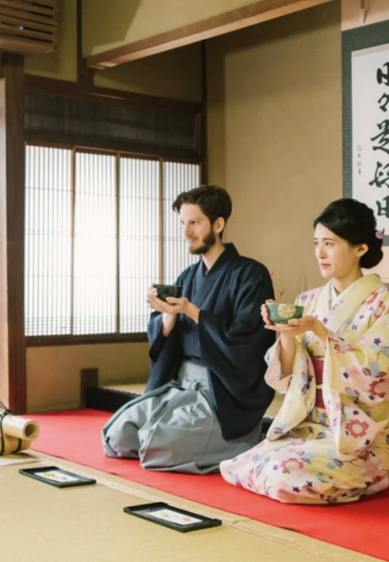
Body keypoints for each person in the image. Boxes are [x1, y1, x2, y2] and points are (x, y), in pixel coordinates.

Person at [220, 198, 389, 504]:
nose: (320, 253)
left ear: (360, 248)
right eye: (316, 243)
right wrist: (285, 335)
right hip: (309, 428)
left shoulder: (387, 303)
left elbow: (382, 375)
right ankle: (348, 481)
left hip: (358, 437)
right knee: (238, 466)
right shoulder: (309, 300)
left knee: (283, 477)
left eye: (330, 243)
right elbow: (285, 379)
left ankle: (370, 475)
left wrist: (319, 330)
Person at [102, 185, 276, 473]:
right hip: (180, 385)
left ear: (218, 224)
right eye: (183, 223)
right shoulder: (188, 275)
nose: (186, 232)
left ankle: (241, 443)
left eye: (194, 223)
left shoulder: (250, 274)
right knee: (117, 437)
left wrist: (191, 311)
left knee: (154, 446)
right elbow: (169, 336)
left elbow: (248, 340)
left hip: (221, 393)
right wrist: (167, 316)